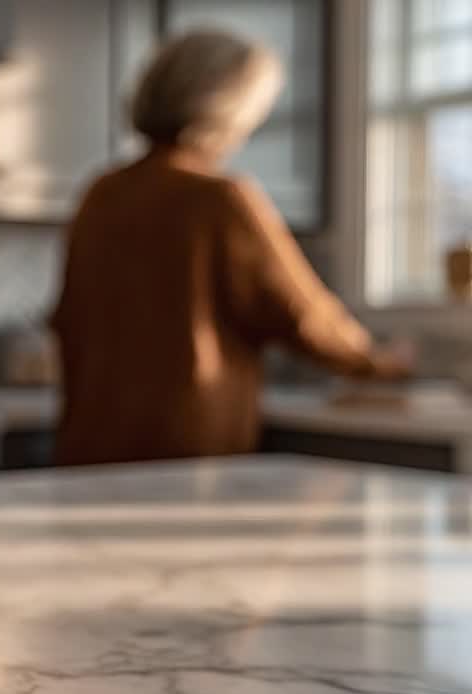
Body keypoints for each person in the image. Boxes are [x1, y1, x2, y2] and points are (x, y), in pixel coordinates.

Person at [51, 29, 408, 466]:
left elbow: (67, 318)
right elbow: (303, 314)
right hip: (186, 449)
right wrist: (377, 362)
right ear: (227, 108)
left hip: (89, 449)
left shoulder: (100, 194)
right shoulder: (220, 198)